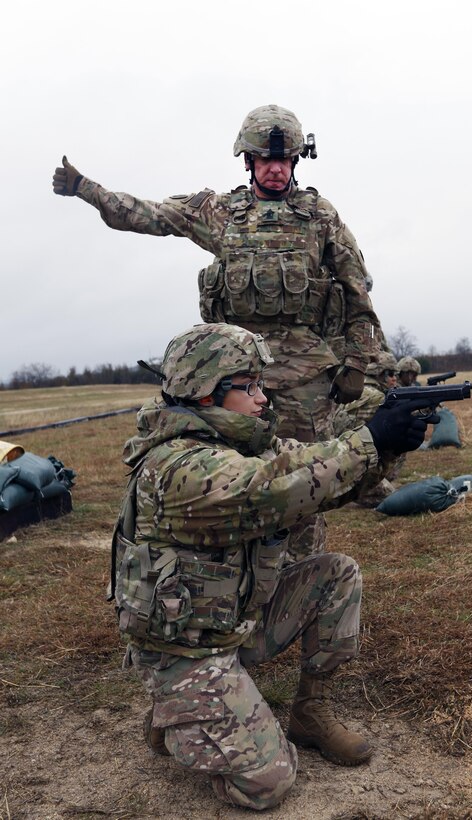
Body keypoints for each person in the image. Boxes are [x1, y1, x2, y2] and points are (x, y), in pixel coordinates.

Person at [110, 322, 436, 811]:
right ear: (204, 392)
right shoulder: (178, 465)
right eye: (250, 386)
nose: (263, 398)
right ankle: (175, 713)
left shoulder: (242, 444)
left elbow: (311, 469)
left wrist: (384, 449)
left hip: (230, 622)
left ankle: (310, 713)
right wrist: (368, 440)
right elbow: (273, 488)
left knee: (336, 574)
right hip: (185, 650)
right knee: (268, 783)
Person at [53, 103, 384, 562]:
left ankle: (306, 582)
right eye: (265, 160)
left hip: (306, 381)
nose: (274, 169)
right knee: (234, 484)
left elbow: (358, 296)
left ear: (295, 162)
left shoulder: (320, 218)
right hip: (235, 380)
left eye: (284, 160)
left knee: (308, 481)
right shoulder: (221, 213)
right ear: (248, 162)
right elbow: (149, 215)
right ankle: (241, 589)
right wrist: (88, 190)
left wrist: (356, 363)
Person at [333, 351, 403, 506]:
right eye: (390, 374)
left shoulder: (355, 390)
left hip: (337, 455)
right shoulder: (378, 398)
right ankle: (365, 491)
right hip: (356, 461)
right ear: (380, 374)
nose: (395, 378)